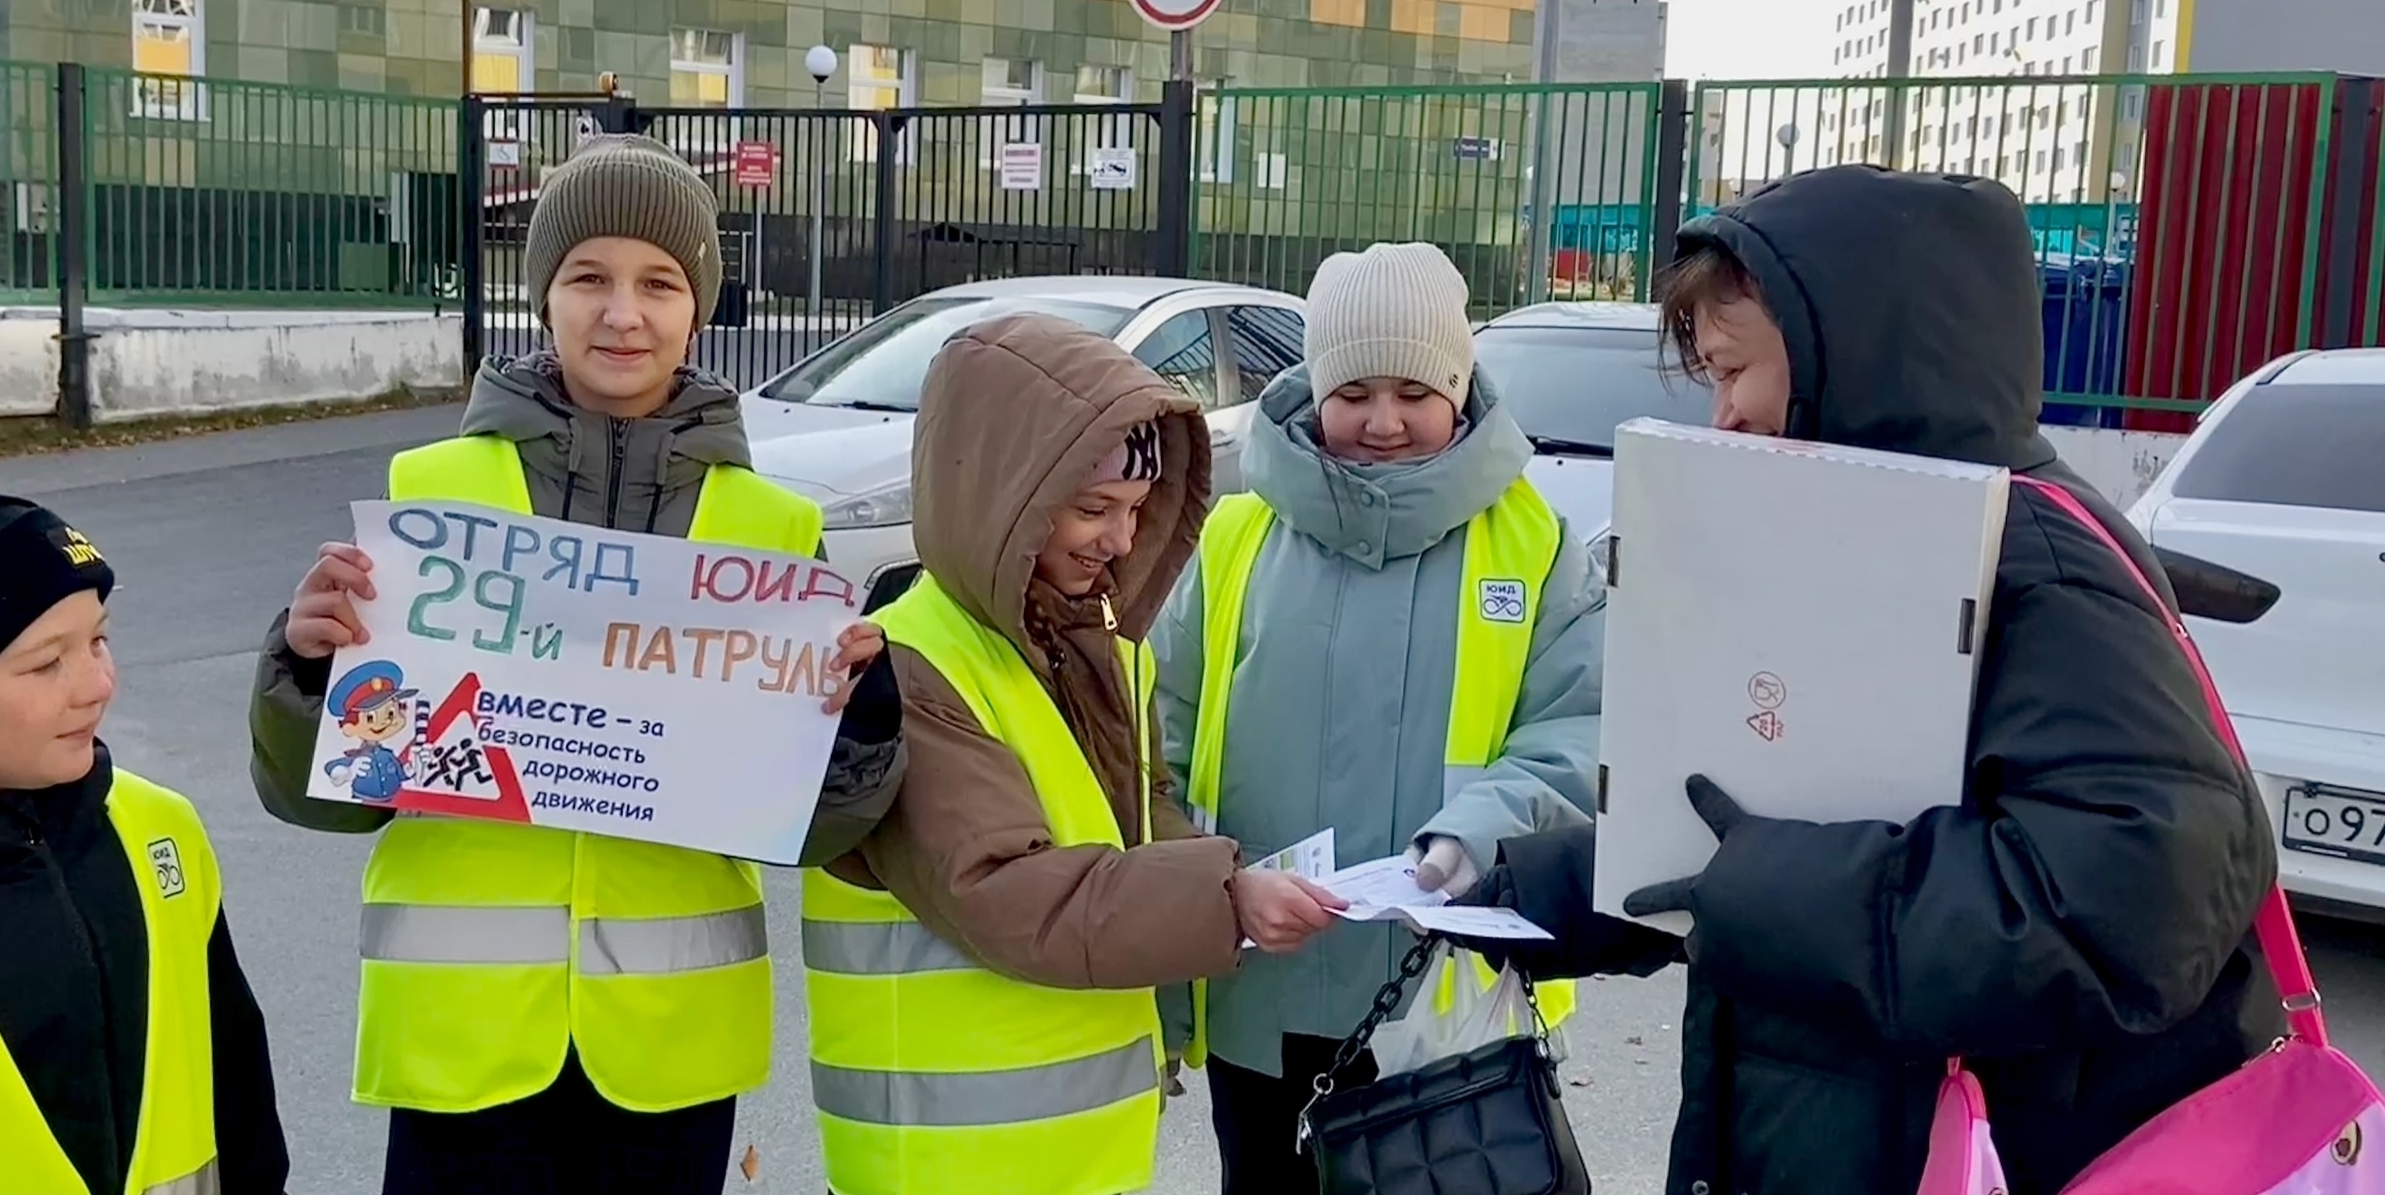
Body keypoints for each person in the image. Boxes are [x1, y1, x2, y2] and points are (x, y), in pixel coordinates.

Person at [1455, 165, 2282, 1195]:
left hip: (1986, 1153)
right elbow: (1815, 813)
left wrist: (1746, 890)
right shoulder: (1872, 545)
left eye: (1732, 369)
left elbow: (2126, 909)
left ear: (1858, 361)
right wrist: (1577, 883)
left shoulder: (2033, 563)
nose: (1724, 416)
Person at [247, 133, 904, 1195]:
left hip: (668, 1050)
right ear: (542, 294)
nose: (622, 312)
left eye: (658, 283)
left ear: (699, 308)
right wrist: (311, 671)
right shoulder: (434, 490)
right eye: (587, 277)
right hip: (461, 1045)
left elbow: (811, 829)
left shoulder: (773, 529)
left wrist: (861, 721)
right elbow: (330, 800)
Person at [801, 312, 1343, 1195]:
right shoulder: (904, 668)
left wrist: (1229, 871)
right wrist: (1226, 898)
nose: (1122, 542)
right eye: (1093, 509)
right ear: (1001, 500)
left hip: (1076, 1153)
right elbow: (1010, 892)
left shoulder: (1102, 651)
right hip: (943, 1161)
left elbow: (1143, 808)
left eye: (1136, 510)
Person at [1150, 241, 1605, 1194]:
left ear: (1460, 384)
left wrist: (1471, 840)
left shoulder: (1534, 545)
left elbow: (1579, 730)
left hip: (1446, 999)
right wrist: (1210, 882)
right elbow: (1163, 732)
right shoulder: (1237, 535)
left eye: (1414, 390)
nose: (1384, 421)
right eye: (1354, 390)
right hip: (1260, 992)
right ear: (1313, 387)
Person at [0, 476, 289, 1195]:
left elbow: (239, 1108)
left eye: (98, 638)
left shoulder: (152, 830)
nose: (98, 683)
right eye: (48, 662)